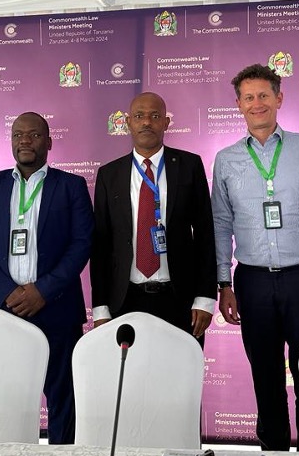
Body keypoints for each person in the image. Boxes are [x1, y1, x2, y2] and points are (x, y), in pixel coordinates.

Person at [211, 64, 299, 451]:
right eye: (249, 97)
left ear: (279, 98)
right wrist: (224, 283)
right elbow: (221, 225)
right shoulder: (226, 159)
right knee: (265, 377)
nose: (257, 104)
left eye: (264, 96)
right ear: (238, 104)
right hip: (252, 282)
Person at [0, 112, 92, 444]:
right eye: (18, 134)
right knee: (6, 396)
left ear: (48, 142)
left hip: (57, 308)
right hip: (4, 310)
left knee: (63, 398)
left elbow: (82, 244)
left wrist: (43, 291)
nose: (25, 140)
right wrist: (6, 292)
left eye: (34, 135)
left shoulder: (71, 186)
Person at [91, 92, 216, 339]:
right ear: (128, 122)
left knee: (179, 374)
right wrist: (100, 308)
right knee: (130, 376)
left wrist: (204, 299)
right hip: (124, 300)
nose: (146, 122)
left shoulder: (189, 166)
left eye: (155, 116)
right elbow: (101, 245)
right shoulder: (109, 174)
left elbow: (205, 234)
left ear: (166, 123)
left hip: (181, 300)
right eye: (139, 116)